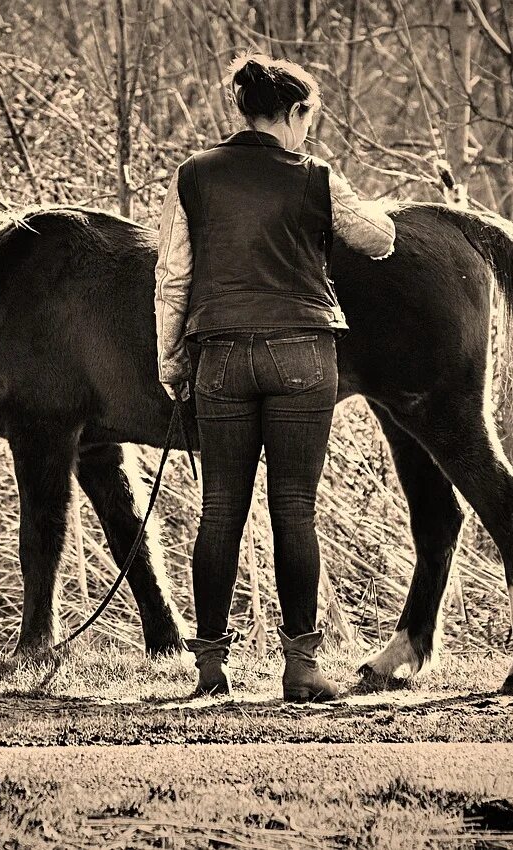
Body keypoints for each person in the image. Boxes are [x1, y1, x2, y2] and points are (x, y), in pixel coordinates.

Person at [153, 52, 397, 702]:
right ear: (293, 113)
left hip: (221, 354)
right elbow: (377, 240)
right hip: (302, 354)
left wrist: (171, 360)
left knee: (219, 510)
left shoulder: (194, 175)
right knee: (295, 508)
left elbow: (172, 277)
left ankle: (209, 671)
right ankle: (302, 670)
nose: (307, 133)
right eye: (307, 119)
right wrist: (376, 211)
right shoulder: (315, 176)